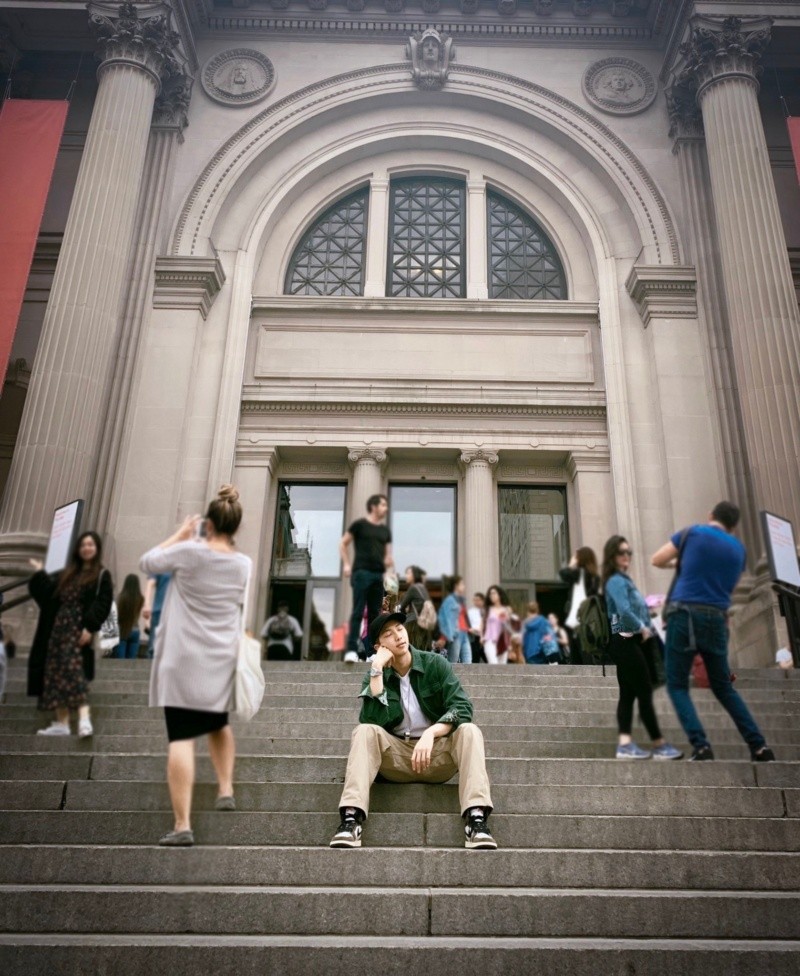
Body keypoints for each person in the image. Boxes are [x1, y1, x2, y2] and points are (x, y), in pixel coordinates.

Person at [141, 485, 252, 847]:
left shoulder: (189, 552)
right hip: (220, 656)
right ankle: (225, 788)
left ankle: (182, 824)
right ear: (236, 526)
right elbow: (239, 608)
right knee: (218, 722)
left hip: (182, 657)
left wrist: (182, 533)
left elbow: (148, 562)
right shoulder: (243, 564)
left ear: (209, 523)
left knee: (182, 737)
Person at [329, 611, 496, 850]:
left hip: (435, 755)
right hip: (396, 759)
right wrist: (376, 669)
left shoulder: (435, 664)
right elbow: (371, 720)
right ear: (378, 646)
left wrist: (431, 733)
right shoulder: (376, 675)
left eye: (400, 629)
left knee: (469, 730)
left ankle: (476, 821)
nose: (398, 636)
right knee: (364, 731)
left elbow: (462, 707)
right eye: (388, 634)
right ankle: (350, 820)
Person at [651, 501, 775, 762]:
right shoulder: (739, 550)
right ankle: (759, 746)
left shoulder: (692, 533)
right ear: (733, 527)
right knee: (724, 688)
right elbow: (729, 586)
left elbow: (657, 559)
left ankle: (701, 746)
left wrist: (680, 564)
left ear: (711, 516)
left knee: (677, 685)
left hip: (684, 615)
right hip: (717, 619)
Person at [602, 535, 683, 761]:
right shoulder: (616, 581)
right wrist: (642, 627)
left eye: (629, 552)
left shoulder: (623, 580)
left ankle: (625, 745)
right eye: (621, 552)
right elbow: (624, 610)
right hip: (625, 640)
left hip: (628, 640)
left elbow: (631, 609)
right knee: (644, 690)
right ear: (612, 556)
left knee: (628, 694)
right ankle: (659, 744)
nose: (626, 556)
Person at [28, 532, 113, 738]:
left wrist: (90, 627)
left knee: (75, 673)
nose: (87, 548)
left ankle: (84, 719)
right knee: (55, 673)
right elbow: (49, 596)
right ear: (77, 549)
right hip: (57, 629)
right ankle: (62, 723)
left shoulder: (101, 575)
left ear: (97, 548)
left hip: (78, 629)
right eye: (83, 544)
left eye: (91, 544)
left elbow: (103, 602)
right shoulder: (68, 574)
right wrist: (39, 573)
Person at [339, 494, 394, 663]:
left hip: (378, 575)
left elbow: (388, 554)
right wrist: (347, 564)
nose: (386, 508)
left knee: (374, 614)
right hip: (362, 572)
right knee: (358, 611)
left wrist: (389, 565)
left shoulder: (385, 531)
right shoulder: (359, 525)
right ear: (373, 507)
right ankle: (351, 651)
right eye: (383, 505)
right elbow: (343, 543)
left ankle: (371, 652)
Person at [560, 547, 601, 664]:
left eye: (576, 556)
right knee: (587, 653)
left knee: (578, 657)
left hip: (578, 620)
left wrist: (571, 565)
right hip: (589, 620)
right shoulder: (595, 577)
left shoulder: (579, 573)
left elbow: (563, 574)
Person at [438, 575, 472, 665]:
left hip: (464, 633)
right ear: (456, 586)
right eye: (462, 584)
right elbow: (445, 619)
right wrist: (444, 637)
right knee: (453, 662)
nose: (464, 586)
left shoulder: (461, 600)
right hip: (456, 634)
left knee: (468, 661)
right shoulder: (449, 601)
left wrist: (469, 628)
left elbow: (463, 617)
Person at [399, 565, 434, 651]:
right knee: (422, 650)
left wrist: (404, 614)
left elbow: (402, 606)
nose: (406, 576)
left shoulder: (413, 588)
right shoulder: (422, 588)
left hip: (413, 624)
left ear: (414, 575)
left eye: (408, 573)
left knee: (412, 650)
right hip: (424, 623)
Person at [114, 574, 144, 659]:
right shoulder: (141, 598)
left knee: (120, 662)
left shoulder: (120, 597)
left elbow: (117, 615)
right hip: (135, 630)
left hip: (122, 630)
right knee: (131, 662)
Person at [483, 585, 512, 665]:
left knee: (502, 667)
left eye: (494, 593)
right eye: (490, 594)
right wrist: (481, 636)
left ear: (500, 595)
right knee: (493, 663)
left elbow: (508, 628)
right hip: (489, 640)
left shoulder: (507, 609)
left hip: (503, 641)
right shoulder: (487, 609)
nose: (492, 595)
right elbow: (483, 624)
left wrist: (509, 644)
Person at [143, 573, 170, 659]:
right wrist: (147, 605)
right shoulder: (159, 566)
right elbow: (150, 584)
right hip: (159, 611)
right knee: (153, 648)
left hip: (176, 612)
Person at [468, 592, 486, 664]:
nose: (476, 602)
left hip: (485, 638)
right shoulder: (470, 612)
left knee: (488, 659)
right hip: (474, 637)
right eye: (475, 600)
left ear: (483, 600)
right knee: (475, 659)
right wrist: (469, 629)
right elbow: (467, 624)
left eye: (478, 600)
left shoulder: (487, 611)